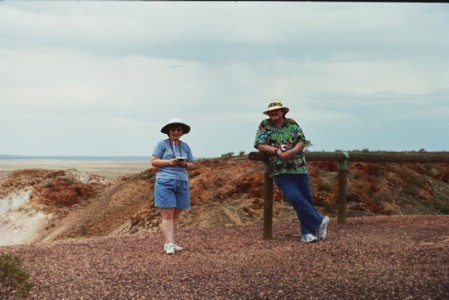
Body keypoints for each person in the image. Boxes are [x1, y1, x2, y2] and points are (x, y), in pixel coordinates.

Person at [254, 100, 329, 243]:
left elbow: (301, 141)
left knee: (305, 200)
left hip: (298, 167)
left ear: (283, 111)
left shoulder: (293, 124)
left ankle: (307, 233)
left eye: (276, 110)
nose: (273, 113)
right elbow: (260, 144)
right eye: (271, 112)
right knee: (294, 198)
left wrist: (292, 152)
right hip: (280, 169)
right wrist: (276, 151)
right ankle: (319, 220)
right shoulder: (265, 125)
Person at [151, 118, 194, 254]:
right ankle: (169, 244)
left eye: (178, 129)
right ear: (168, 132)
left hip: (182, 182)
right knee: (168, 215)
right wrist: (170, 162)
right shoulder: (162, 144)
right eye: (173, 129)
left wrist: (185, 164)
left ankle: (170, 242)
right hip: (165, 181)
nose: (176, 132)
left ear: (182, 132)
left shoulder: (186, 146)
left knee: (176, 216)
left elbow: (193, 164)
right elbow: (154, 161)